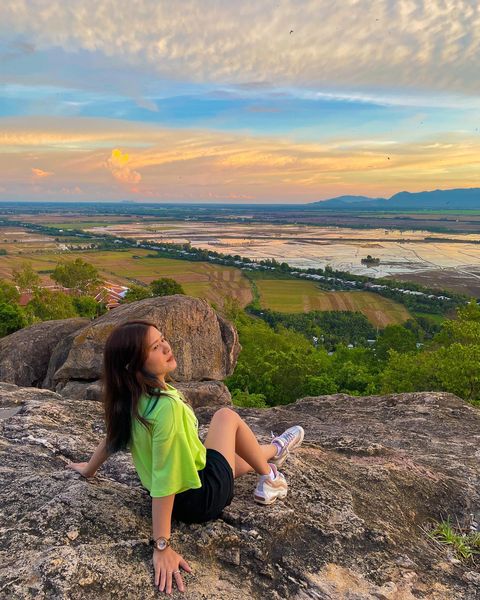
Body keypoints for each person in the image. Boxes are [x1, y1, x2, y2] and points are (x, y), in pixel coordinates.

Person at [66, 320, 304, 595]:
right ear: (133, 365)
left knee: (230, 458)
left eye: (163, 339)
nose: (167, 347)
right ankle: (271, 477)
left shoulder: (133, 398)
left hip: (188, 487)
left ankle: (275, 449)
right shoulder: (167, 409)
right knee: (226, 417)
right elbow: (167, 480)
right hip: (200, 498)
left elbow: (112, 439)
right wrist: (161, 545)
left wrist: (89, 470)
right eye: (155, 347)